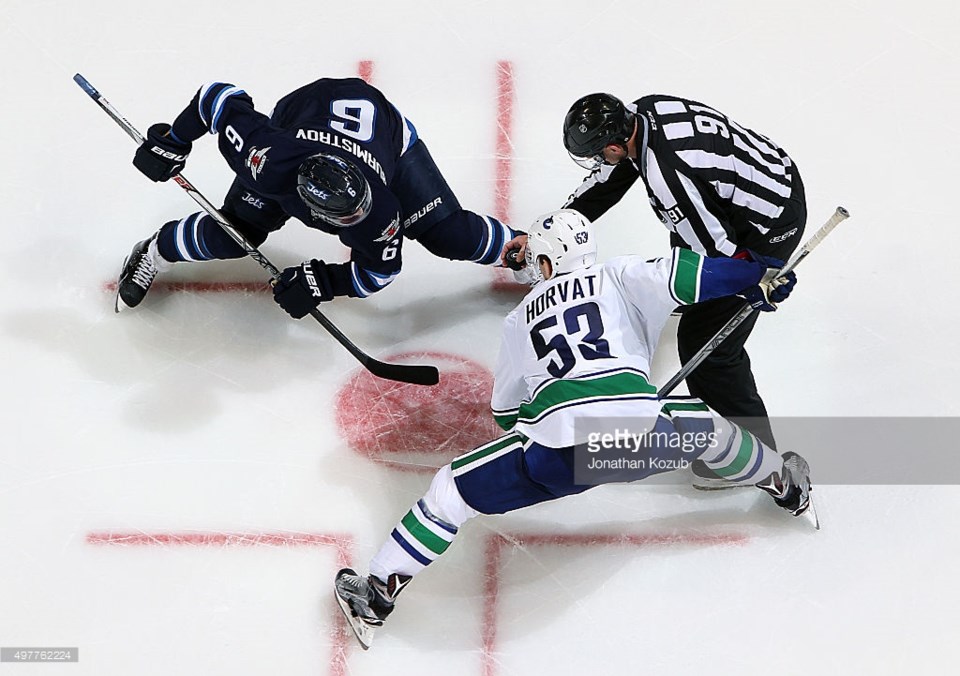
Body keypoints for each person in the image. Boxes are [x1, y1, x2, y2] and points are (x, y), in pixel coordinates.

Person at [334, 210, 811, 649]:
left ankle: (376, 595)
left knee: (450, 491)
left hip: (559, 457)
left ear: (545, 262)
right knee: (708, 428)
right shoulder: (620, 275)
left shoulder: (521, 318)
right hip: (640, 441)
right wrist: (757, 278)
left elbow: (504, 413)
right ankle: (786, 486)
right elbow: (691, 273)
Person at [505, 93, 805, 467]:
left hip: (767, 224)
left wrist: (754, 281)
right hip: (768, 174)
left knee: (708, 344)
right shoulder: (643, 112)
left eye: (601, 153)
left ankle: (755, 453)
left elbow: (720, 256)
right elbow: (607, 183)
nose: (598, 161)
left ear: (615, 144)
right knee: (688, 255)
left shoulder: (672, 178)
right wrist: (542, 239)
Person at [116, 77, 517, 318]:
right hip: (301, 113)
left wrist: (325, 281)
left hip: (386, 134)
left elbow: (378, 273)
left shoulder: (380, 211)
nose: (357, 221)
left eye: (359, 211)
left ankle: (536, 249)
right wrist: (174, 140)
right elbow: (216, 98)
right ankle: (153, 252)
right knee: (233, 234)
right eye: (345, 219)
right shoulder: (268, 160)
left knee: (449, 234)